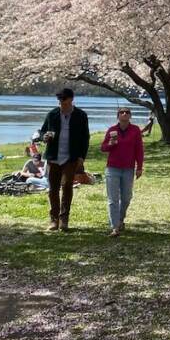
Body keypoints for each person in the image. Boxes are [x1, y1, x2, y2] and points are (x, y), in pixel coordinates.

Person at [37, 88, 90, 232]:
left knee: (67, 186)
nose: (62, 103)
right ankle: (54, 220)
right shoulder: (52, 114)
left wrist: (81, 157)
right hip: (54, 157)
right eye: (59, 100)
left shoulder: (80, 115)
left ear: (71, 99)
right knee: (53, 189)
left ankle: (64, 219)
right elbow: (41, 131)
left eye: (64, 100)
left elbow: (85, 137)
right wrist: (44, 137)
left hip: (71, 157)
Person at [100, 107, 145, 237]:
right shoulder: (112, 130)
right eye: (122, 112)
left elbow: (139, 149)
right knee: (113, 199)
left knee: (126, 197)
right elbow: (103, 148)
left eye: (127, 112)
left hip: (128, 169)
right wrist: (111, 143)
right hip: (112, 168)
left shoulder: (135, 130)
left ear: (130, 116)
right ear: (118, 116)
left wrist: (140, 167)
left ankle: (120, 219)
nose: (124, 114)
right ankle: (114, 227)